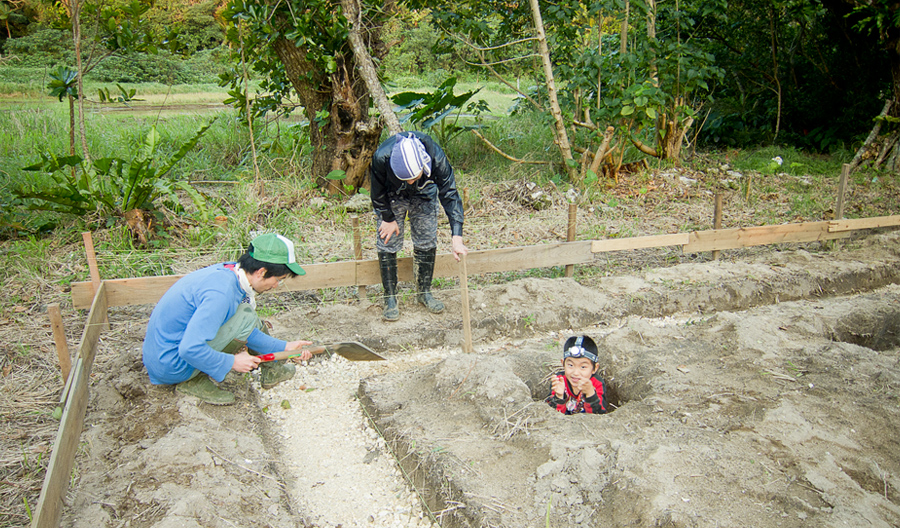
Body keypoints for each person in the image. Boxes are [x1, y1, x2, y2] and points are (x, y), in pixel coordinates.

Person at [142, 233, 314, 405]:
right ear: (261, 272)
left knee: (245, 316)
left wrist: (284, 347)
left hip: (164, 354)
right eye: (278, 280)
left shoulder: (231, 273)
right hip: (171, 365)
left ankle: (272, 369)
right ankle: (192, 380)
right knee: (246, 315)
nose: (276, 286)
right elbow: (189, 348)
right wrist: (231, 362)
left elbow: (240, 328)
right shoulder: (221, 294)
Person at [369, 131, 468, 321]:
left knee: (426, 237)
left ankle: (424, 292)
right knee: (388, 239)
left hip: (425, 191)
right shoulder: (381, 158)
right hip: (392, 194)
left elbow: (450, 194)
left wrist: (457, 236)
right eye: (406, 178)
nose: (410, 182)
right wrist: (388, 218)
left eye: (414, 176)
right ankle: (390, 297)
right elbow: (377, 192)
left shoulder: (435, 158)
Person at [547, 335, 609, 415]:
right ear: (563, 364)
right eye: (570, 365)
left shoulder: (596, 383)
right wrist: (559, 396)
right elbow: (550, 415)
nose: (576, 373)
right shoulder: (559, 380)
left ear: (594, 368)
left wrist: (590, 394)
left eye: (583, 367)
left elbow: (600, 415)